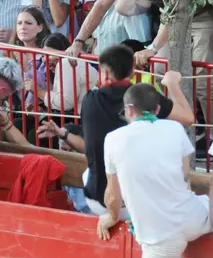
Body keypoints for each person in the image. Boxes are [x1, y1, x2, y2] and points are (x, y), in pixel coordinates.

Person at [37, 45, 195, 218]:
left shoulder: (90, 101)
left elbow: (92, 147)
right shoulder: (143, 98)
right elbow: (188, 118)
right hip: (138, 201)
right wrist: (172, 85)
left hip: (99, 199)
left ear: (104, 74)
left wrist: (63, 133)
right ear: (133, 73)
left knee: (89, 173)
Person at [98, 83, 213, 258]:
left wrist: (112, 217)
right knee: (205, 203)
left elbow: (113, 196)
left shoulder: (113, 139)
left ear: (128, 110)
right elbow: (185, 180)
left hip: (159, 237)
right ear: (158, 109)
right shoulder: (175, 129)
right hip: (193, 218)